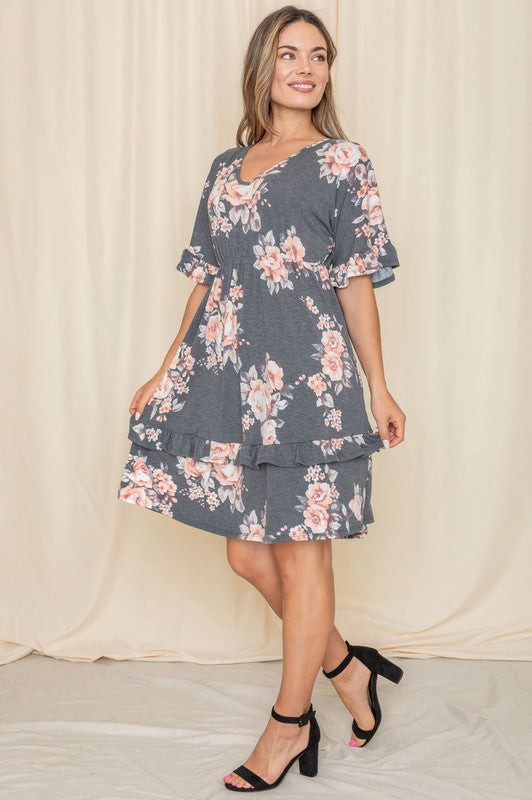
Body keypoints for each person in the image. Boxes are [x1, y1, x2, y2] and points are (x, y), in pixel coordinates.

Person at [117, 5, 406, 793]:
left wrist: (378, 385)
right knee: (247, 552)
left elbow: (355, 281)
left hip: (308, 383)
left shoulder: (344, 162)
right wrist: (165, 367)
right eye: (289, 54)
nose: (306, 67)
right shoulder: (225, 166)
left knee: (300, 550)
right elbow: (207, 279)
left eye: (319, 55)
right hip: (227, 382)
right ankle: (346, 666)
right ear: (263, 68)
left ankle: (289, 724)